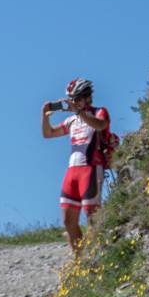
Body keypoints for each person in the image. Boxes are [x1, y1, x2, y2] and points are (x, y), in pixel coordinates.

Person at [40, 77, 110, 253]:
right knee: (68, 220)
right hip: (72, 172)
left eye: (77, 98)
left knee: (92, 217)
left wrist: (80, 113)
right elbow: (48, 134)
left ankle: (99, 256)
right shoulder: (72, 120)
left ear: (87, 97)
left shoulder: (99, 111)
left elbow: (101, 125)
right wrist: (45, 115)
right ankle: (81, 262)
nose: (74, 102)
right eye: (71, 99)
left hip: (91, 168)